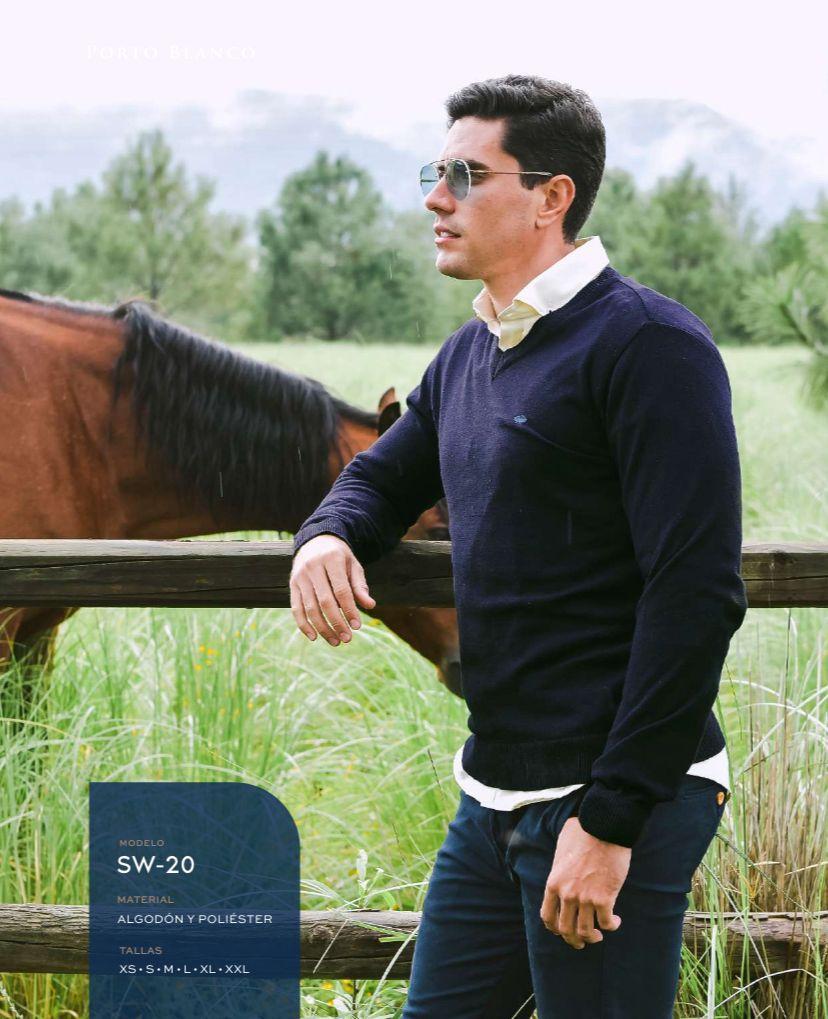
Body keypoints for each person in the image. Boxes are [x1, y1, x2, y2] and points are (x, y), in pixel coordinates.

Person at [289, 73, 747, 1018]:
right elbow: (381, 479)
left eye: (465, 175)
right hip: (492, 795)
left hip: (616, 798)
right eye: (435, 172)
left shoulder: (650, 345)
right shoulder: (470, 354)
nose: (436, 198)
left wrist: (610, 822)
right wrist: (325, 535)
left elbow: (696, 593)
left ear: (551, 197)